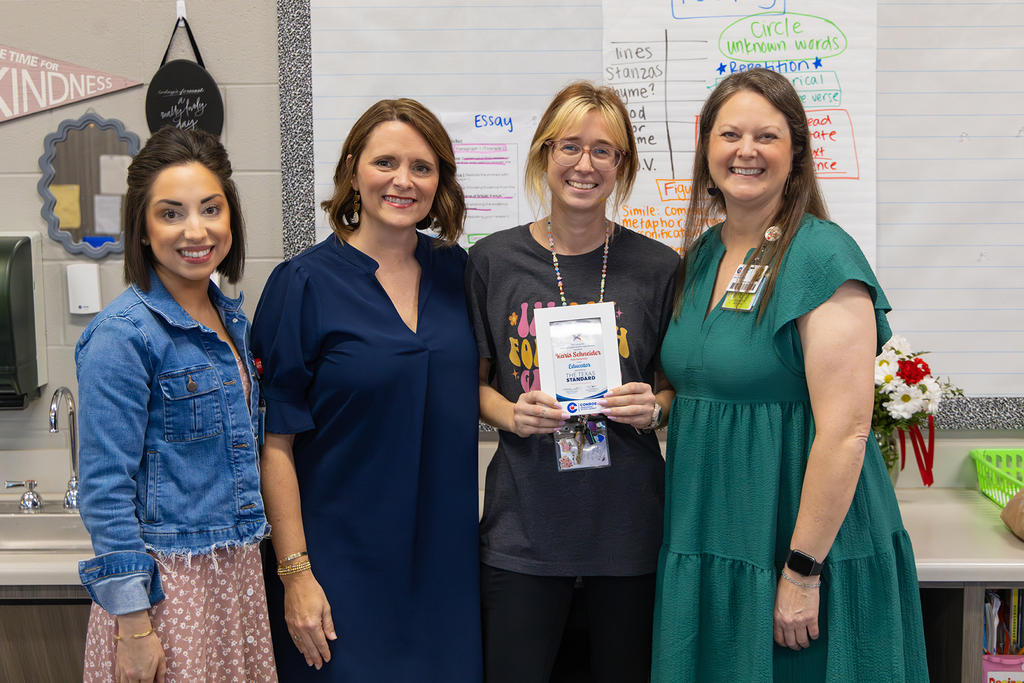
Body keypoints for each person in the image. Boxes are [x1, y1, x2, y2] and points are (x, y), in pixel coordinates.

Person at [652, 68, 929, 680]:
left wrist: (802, 572)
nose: (745, 151)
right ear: (705, 147)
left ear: (796, 152)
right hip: (710, 526)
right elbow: (701, 384)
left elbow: (847, 430)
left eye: (767, 136)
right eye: (730, 134)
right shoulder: (698, 257)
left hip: (796, 543)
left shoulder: (822, 255)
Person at [250, 99, 482, 682]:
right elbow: (272, 443)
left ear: (440, 181)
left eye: (422, 167)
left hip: (445, 570)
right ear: (353, 169)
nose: (403, 180)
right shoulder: (302, 283)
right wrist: (295, 573)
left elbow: (491, 384)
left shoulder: (462, 273)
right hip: (337, 571)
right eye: (385, 162)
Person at [465, 81, 679, 683]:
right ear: (542, 156)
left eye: (603, 151)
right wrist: (510, 414)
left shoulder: (660, 267)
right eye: (569, 147)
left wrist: (655, 408)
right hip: (524, 529)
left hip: (629, 529)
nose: (584, 164)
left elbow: (674, 387)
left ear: (622, 166)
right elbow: (472, 383)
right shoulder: (492, 261)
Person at [76, 126, 276, 683]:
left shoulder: (232, 320)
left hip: (233, 575)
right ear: (141, 228)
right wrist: (135, 629)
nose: (196, 230)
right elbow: (104, 490)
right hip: (167, 591)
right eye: (171, 213)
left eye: (211, 209)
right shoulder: (123, 335)